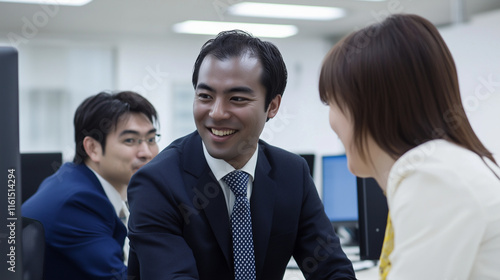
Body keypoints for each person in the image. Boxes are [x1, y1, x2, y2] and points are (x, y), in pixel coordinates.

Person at [127, 30, 356, 280]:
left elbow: (332, 269)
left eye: (236, 99)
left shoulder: (292, 173)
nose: (216, 113)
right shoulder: (156, 183)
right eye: (205, 96)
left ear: (272, 106)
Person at [319, 13, 500, 280]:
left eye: (332, 103)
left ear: (369, 106)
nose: (331, 120)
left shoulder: (432, 177)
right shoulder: (443, 164)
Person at [22, 91, 160, 280]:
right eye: (130, 140)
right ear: (92, 148)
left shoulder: (70, 177)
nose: (147, 152)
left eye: (151, 139)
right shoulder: (79, 203)